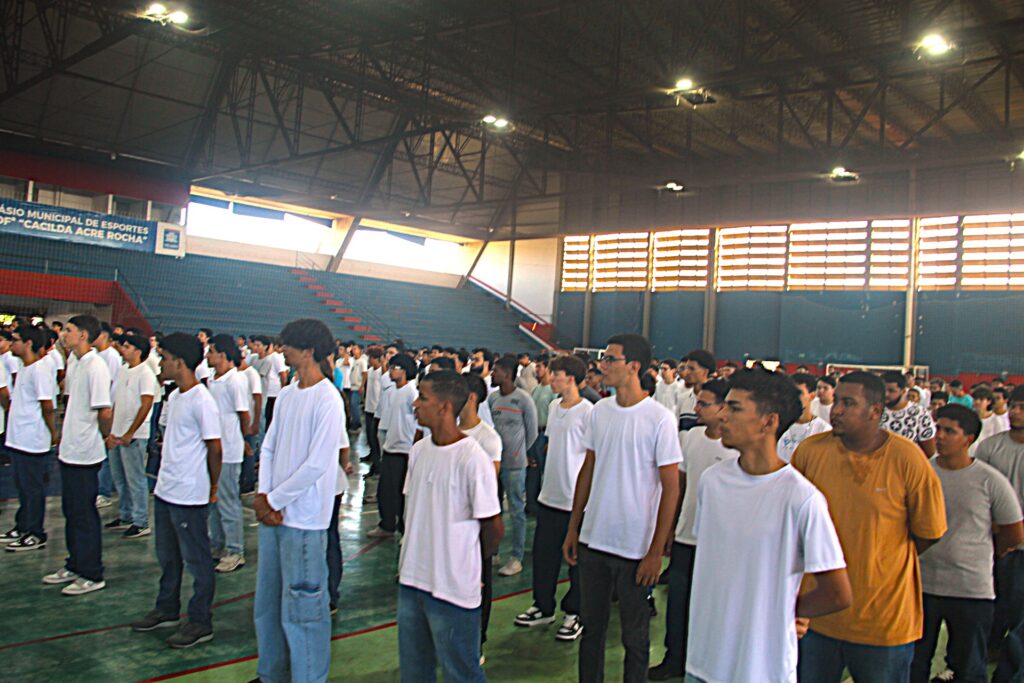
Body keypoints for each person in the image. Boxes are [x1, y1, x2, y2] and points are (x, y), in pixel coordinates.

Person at [685, 370, 852, 683]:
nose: (722, 415)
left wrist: (787, 610)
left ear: (768, 421)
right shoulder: (713, 481)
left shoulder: (801, 498)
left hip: (761, 669)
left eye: (734, 408)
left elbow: (838, 592)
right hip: (703, 661)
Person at [792, 371, 948, 682]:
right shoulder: (810, 453)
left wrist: (879, 559)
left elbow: (929, 532)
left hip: (883, 623)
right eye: (836, 401)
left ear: (875, 411)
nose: (836, 410)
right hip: (816, 619)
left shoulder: (907, 459)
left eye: (848, 403)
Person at [563, 334, 682, 683]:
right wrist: (575, 528)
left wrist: (656, 551)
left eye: (610, 359)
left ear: (633, 366)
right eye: (603, 358)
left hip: (634, 547)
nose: (603, 365)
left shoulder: (659, 418)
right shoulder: (600, 411)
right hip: (593, 540)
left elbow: (670, 489)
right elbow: (588, 470)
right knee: (592, 632)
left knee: (635, 637)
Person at [398, 370, 503, 683]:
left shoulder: (472, 459)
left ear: (444, 407)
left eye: (423, 397)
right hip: (413, 581)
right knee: (415, 672)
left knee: (462, 672)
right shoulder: (418, 452)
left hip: (453, 589)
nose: (415, 403)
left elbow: (492, 528)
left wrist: (469, 567)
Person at [254, 319, 343, 683]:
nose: (282, 351)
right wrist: (263, 497)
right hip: (274, 517)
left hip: (304, 522)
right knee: (268, 606)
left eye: (288, 345)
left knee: (304, 613)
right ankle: (271, 673)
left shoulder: (328, 400)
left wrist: (274, 500)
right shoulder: (289, 393)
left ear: (308, 351)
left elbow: (318, 465)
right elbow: (270, 445)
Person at [911, 404, 1024, 683]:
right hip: (921, 585)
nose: (940, 436)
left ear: (968, 439)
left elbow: (1014, 532)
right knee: (914, 661)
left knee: (969, 665)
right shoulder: (921, 473)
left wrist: (982, 554)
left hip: (971, 589)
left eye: (950, 431)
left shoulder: (988, 480)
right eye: (938, 429)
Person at [130, 333, 222, 648]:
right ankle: (167, 608)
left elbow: (215, 448)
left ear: (180, 362)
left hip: (189, 494)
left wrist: (211, 487)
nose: (160, 364)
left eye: (164, 358)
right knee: (168, 556)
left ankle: (200, 621)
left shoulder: (202, 400)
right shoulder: (176, 397)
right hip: (167, 489)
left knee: (197, 560)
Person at [649, 379, 737, 680]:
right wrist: (671, 529)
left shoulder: (734, 450)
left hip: (716, 543)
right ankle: (674, 658)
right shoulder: (691, 438)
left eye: (704, 403)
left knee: (710, 609)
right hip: (687, 536)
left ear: (724, 408)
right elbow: (680, 485)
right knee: (678, 603)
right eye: (697, 402)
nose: (696, 408)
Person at [515, 354, 591, 642]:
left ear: (570, 378)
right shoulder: (554, 406)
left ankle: (574, 614)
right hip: (550, 495)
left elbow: (591, 458)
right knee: (544, 557)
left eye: (555, 375)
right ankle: (542, 606)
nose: (550, 378)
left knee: (575, 561)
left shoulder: (588, 412)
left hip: (574, 500)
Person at [44, 315, 114, 596]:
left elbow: (104, 411)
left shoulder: (96, 367)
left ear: (84, 335)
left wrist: (105, 437)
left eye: (70, 330)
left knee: (84, 513)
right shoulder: (75, 362)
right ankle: (74, 564)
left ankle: (92, 572)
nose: (64, 334)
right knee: (71, 511)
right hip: (70, 450)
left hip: (86, 452)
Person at [974, 385, 1024, 681]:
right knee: (991, 605)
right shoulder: (990, 447)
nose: (1017, 412)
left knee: (1018, 612)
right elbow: (979, 493)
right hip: (993, 542)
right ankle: (988, 651)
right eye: (1014, 406)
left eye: (1023, 407)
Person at [2, 326, 57, 551]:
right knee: (23, 488)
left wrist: (52, 434)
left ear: (28, 343)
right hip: (18, 439)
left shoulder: (41, 370)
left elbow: (47, 406)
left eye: (15, 340)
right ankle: (22, 525)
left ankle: (36, 532)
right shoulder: (25, 367)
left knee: (33, 489)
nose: (11, 343)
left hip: (33, 440)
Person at [104, 334, 159, 539]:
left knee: (135, 478)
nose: (122, 349)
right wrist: (112, 430)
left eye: (127, 346)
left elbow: (146, 404)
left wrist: (130, 432)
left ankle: (141, 520)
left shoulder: (145, 373)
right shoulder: (124, 370)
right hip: (118, 432)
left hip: (134, 435)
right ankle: (126, 514)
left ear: (138, 351)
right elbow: (118, 402)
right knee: (120, 477)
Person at [489, 355, 539, 577]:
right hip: (494, 463)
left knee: (516, 511)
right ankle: (493, 551)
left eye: (496, 371)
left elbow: (532, 431)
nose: (492, 374)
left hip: (515, 465)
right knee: (493, 508)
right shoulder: (492, 399)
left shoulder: (523, 399)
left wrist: (520, 452)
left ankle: (516, 557)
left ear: (508, 374)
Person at [206, 334, 251, 573]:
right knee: (213, 499)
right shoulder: (214, 380)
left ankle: (235, 551)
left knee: (227, 500)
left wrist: (241, 439)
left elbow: (244, 415)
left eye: (211, 351)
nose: (207, 355)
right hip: (214, 449)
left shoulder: (235, 380)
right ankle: (217, 544)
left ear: (223, 354)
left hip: (228, 450)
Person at [369, 353, 418, 538]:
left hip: (404, 450)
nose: (390, 371)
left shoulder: (411, 392)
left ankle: (404, 531)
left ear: (404, 371)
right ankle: (387, 525)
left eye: (394, 367)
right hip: (390, 447)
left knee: (401, 494)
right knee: (385, 491)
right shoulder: (394, 391)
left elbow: (418, 421)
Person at [881, 370, 937, 456]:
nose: (886, 394)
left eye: (891, 391)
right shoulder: (873, 410)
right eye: (882, 389)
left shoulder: (919, 413)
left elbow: (929, 451)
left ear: (903, 391)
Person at [778, 372, 831, 462]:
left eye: (799, 394)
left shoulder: (823, 431)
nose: (792, 398)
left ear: (812, 396)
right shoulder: (778, 426)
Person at [526, 357, 555, 515]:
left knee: (544, 471)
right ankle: (531, 505)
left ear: (547, 369)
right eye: (536, 367)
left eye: (539, 367)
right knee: (533, 470)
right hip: (534, 433)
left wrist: (549, 440)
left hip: (545, 434)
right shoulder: (536, 389)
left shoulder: (552, 391)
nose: (537, 370)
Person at [677, 349, 714, 431]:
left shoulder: (716, 400)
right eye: (686, 368)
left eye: (692, 369)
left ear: (705, 372)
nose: (686, 372)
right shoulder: (682, 399)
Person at [362, 346, 385, 479]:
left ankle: (377, 468)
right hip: (369, 409)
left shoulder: (382, 372)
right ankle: (374, 465)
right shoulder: (370, 371)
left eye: (371, 357)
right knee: (370, 439)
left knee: (376, 440)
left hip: (377, 411)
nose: (369, 360)